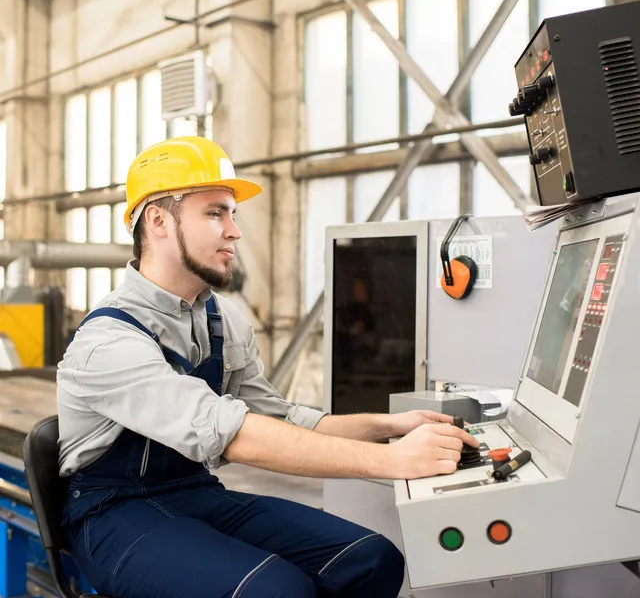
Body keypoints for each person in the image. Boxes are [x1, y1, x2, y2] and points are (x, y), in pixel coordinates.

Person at [57, 136, 478, 598]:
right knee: (276, 591)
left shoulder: (221, 320)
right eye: (216, 212)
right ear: (158, 220)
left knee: (371, 559)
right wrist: (393, 460)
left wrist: (389, 425)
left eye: (232, 214)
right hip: (113, 514)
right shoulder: (109, 339)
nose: (234, 231)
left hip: (194, 491)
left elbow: (275, 419)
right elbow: (232, 433)